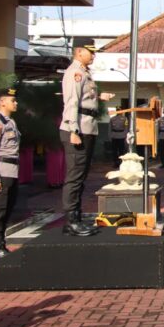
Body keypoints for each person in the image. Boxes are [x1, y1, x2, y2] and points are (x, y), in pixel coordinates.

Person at [60, 45, 113, 237]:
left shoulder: (85, 73)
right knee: (74, 177)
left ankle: (77, 218)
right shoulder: (74, 72)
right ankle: (71, 221)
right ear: (79, 51)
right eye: (91, 52)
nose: (94, 55)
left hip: (87, 127)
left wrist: (100, 97)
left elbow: (85, 98)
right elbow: (72, 102)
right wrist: (73, 129)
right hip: (78, 128)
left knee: (81, 176)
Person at [0, 88, 20, 260]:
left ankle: (2, 243)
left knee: (7, 209)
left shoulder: (11, 122)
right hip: (2, 173)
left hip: (12, 172)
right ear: (2, 102)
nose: (16, 103)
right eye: (12, 100)